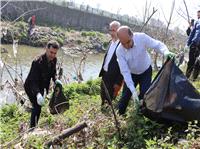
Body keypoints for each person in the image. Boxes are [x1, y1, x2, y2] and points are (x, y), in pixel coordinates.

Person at [116, 26, 175, 115]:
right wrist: (133, 91)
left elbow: (157, 45)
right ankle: (120, 114)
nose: (127, 46)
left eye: (128, 42)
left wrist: (165, 52)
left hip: (145, 71)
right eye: (123, 43)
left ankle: (141, 113)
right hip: (132, 74)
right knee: (125, 96)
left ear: (132, 35)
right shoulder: (119, 51)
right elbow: (125, 72)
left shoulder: (141, 38)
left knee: (145, 93)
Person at [24, 40, 59, 129]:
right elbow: (33, 81)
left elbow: (53, 72)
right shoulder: (37, 62)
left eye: (55, 53)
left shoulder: (54, 59)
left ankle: (34, 126)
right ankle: (32, 128)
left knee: (39, 107)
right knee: (36, 106)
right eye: (51, 52)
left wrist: (56, 80)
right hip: (31, 86)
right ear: (46, 49)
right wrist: (37, 94)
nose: (52, 55)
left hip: (42, 85)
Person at [99, 21, 123, 106]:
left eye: (114, 30)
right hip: (105, 74)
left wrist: (118, 82)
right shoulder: (111, 43)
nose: (111, 32)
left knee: (109, 98)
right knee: (102, 94)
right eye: (110, 30)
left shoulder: (122, 45)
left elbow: (123, 67)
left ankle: (108, 113)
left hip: (113, 77)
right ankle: (102, 109)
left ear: (119, 31)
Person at [186, 10, 200, 81]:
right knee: (191, 61)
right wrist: (187, 44)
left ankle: (194, 79)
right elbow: (192, 33)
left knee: (198, 63)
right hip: (194, 43)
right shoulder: (197, 22)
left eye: (198, 15)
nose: (198, 16)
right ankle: (186, 77)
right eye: (197, 15)